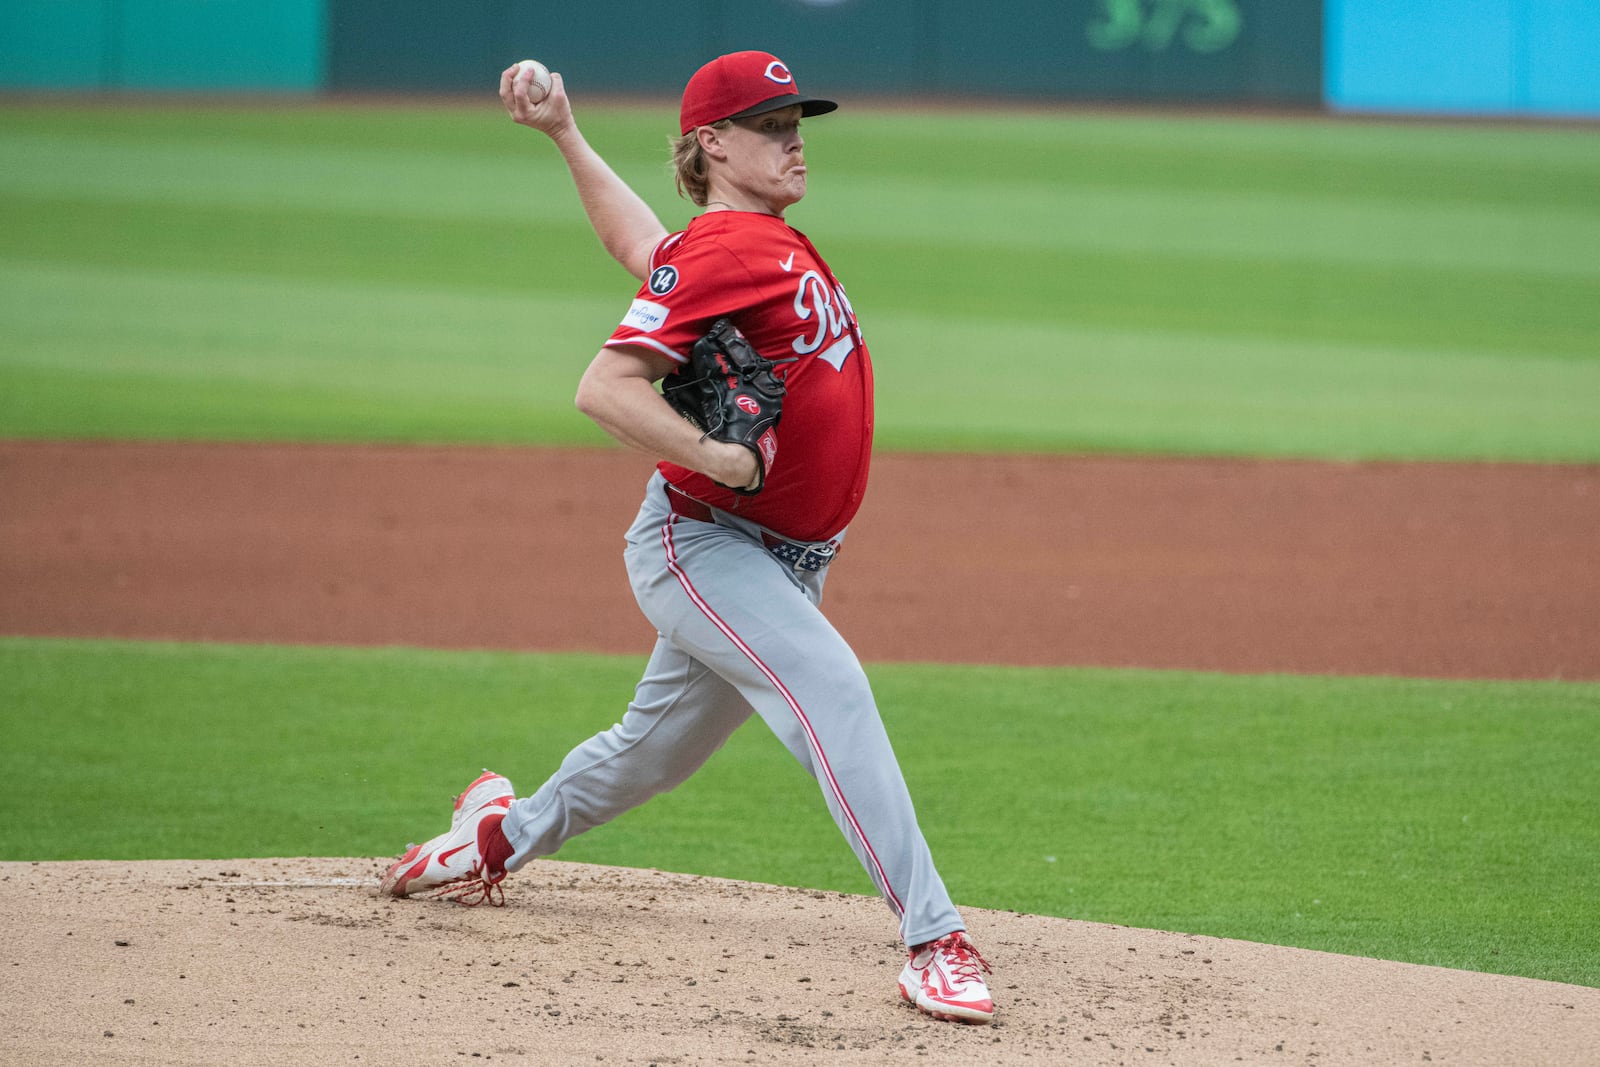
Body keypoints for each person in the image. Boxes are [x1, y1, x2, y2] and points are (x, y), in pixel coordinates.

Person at [378, 50, 995, 1025]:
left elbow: (647, 248)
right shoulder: (730, 247)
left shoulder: (750, 242)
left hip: (774, 557)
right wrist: (719, 455)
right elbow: (603, 388)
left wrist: (565, 135)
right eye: (770, 123)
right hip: (705, 545)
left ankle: (496, 836)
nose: (794, 138)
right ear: (712, 143)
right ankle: (935, 936)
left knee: (647, 753)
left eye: (797, 120)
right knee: (827, 687)